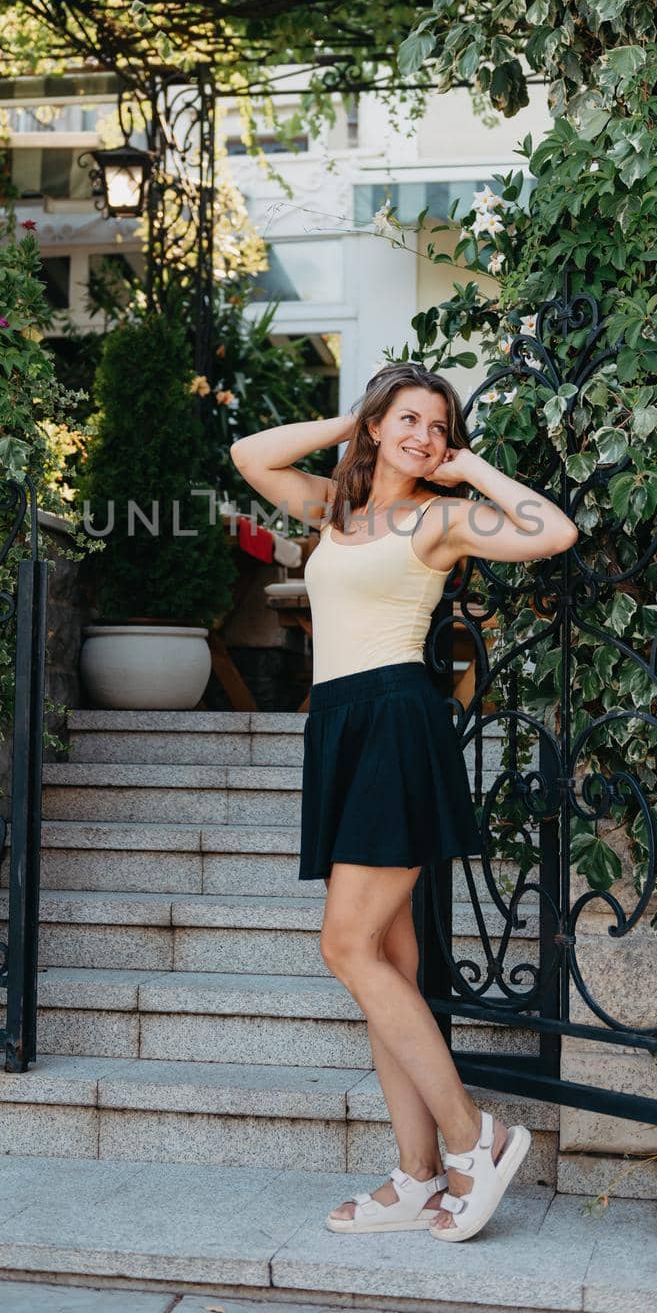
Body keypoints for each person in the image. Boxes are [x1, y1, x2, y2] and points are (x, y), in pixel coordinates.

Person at [229, 360, 578, 1244]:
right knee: (386, 956)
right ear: (379, 425)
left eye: (439, 425)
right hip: (341, 725)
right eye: (409, 420)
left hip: (394, 722)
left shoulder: (438, 520)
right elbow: (249, 453)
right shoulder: (335, 512)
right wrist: (348, 423)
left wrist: (474, 471)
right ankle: (418, 1174)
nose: (424, 436)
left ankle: (476, 1141)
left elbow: (553, 533)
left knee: (345, 945)